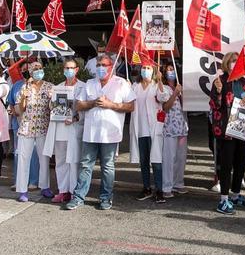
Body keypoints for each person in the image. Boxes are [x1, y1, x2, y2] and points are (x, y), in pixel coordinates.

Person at [66, 52, 135, 210]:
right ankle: (78, 197)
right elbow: (79, 105)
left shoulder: (121, 83)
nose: (101, 68)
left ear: (112, 67)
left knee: (108, 167)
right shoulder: (90, 83)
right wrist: (93, 103)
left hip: (110, 134)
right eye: (98, 65)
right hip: (90, 133)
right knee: (85, 165)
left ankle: (105, 198)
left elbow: (131, 106)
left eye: (104, 65)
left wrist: (111, 105)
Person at [210, 53, 245, 214]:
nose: (234, 64)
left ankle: (236, 195)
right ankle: (223, 199)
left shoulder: (244, 82)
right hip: (226, 130)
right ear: (226, 64)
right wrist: (220, 91)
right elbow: (214, 104)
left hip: (243, 129)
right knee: (226, 165)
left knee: (241, 163)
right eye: (231, 62)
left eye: (237, 61)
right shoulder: (220, 81)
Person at [45, 57, 85, 203]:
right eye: (66, 68)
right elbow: (52, 108)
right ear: (63, 70)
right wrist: (51, 99)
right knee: (61, 161)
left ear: (76, 70)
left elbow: (85, 110)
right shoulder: (58, 87)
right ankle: (63, 190)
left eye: (71, 68)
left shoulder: (83, 87)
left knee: (74, 161)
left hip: (74, 128)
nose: (69, 71)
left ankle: (74, 191)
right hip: (60, 129)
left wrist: (75, 118)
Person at [14, 60, 53, 202]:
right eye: (35, 69)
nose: (38, 71)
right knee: (24, 158)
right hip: (26, 128)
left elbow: (54, 107)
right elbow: (19, 110)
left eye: (40, 68)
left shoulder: (49, 87)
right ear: (30, 72)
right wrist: (24, 96)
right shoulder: (24, 87)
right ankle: (23, 190)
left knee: (44, 158)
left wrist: (51, 98)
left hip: (43, 127)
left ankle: (45, 187)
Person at [130, 61, 169, 203]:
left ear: (153, 71)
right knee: (144, 160)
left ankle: (159, 190)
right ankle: (146, 187)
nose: (145, 70)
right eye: (144, 68)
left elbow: (163, 98)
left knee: (156, 161)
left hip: (154, 129)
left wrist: (159, 81)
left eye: (148, 68)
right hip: (140, 129)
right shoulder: (135, 87)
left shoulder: (156, 86)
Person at [160, 63, 188, 199]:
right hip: (169, 127)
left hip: (182, 127)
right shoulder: (164, 88)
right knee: (169, 158)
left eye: (172, 69)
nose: (170, 72)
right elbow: (165, 107)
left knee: (181, 157)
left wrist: (181, 93)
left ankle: (178, 182)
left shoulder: (180, 86)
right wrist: (175, 93)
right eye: (168, 70)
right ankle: (167, 186)